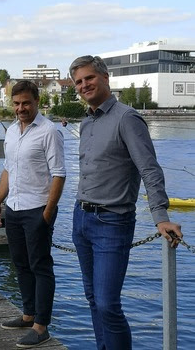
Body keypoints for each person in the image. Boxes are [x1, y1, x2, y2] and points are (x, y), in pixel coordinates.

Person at [69, 55, 183, 349]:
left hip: (112, 221)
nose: (84, 85)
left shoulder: (127, 118)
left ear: (105, 77)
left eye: (89, 78)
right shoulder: (86, 124)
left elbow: (149, 169)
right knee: (93, 299)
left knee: (108, 303)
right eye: (79, 82)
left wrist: (160, 216)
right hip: (81, 218)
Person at [0, 80, 66, 348]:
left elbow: (59, 174)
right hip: (15, 207)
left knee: (40, 267)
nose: (21, 108)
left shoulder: (49, 131)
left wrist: (47, 212)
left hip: (37, 209)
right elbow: (9, 169)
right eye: (17, 103)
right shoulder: (11, 131)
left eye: (26, 103)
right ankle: (28, 314)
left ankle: (41, 326)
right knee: (20, 264)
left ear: (37, 102)